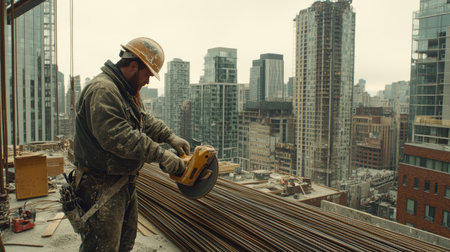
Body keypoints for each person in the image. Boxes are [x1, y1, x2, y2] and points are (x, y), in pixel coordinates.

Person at [73, 37, 190, 251]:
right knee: (102, 247)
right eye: (147, 75)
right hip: (100, 186)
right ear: (133, 66)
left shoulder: (126, 91)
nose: (147, 82)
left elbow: (143, 120)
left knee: (125, 244)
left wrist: (169, 137)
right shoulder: (104, 91)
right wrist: (162, 156)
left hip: (122, 183)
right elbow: (119, 137)